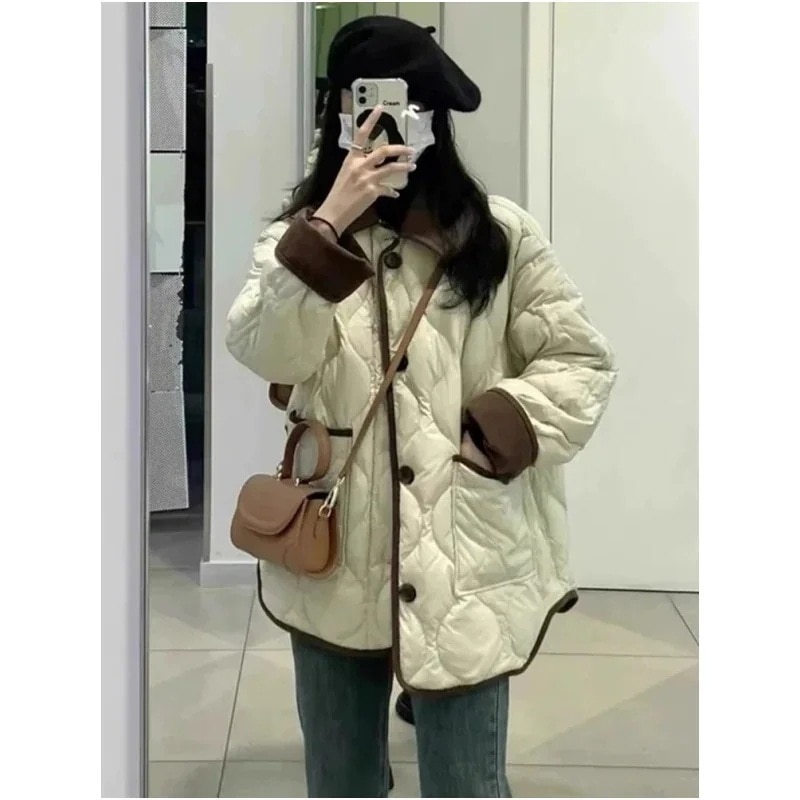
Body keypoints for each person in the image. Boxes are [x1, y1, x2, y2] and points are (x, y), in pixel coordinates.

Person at [226, 15, 617, 799]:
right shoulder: (297, 242)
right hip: (334, 552)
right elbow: (268, 353)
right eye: (365, 106)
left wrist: (494, 430)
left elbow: (581, 362)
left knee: (467, 784)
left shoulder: (500, 236)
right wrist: (327, 226)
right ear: (340, 115)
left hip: (465, 553)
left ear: (433, 119)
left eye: (407, 108)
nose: (386, 127)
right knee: (339, 783)